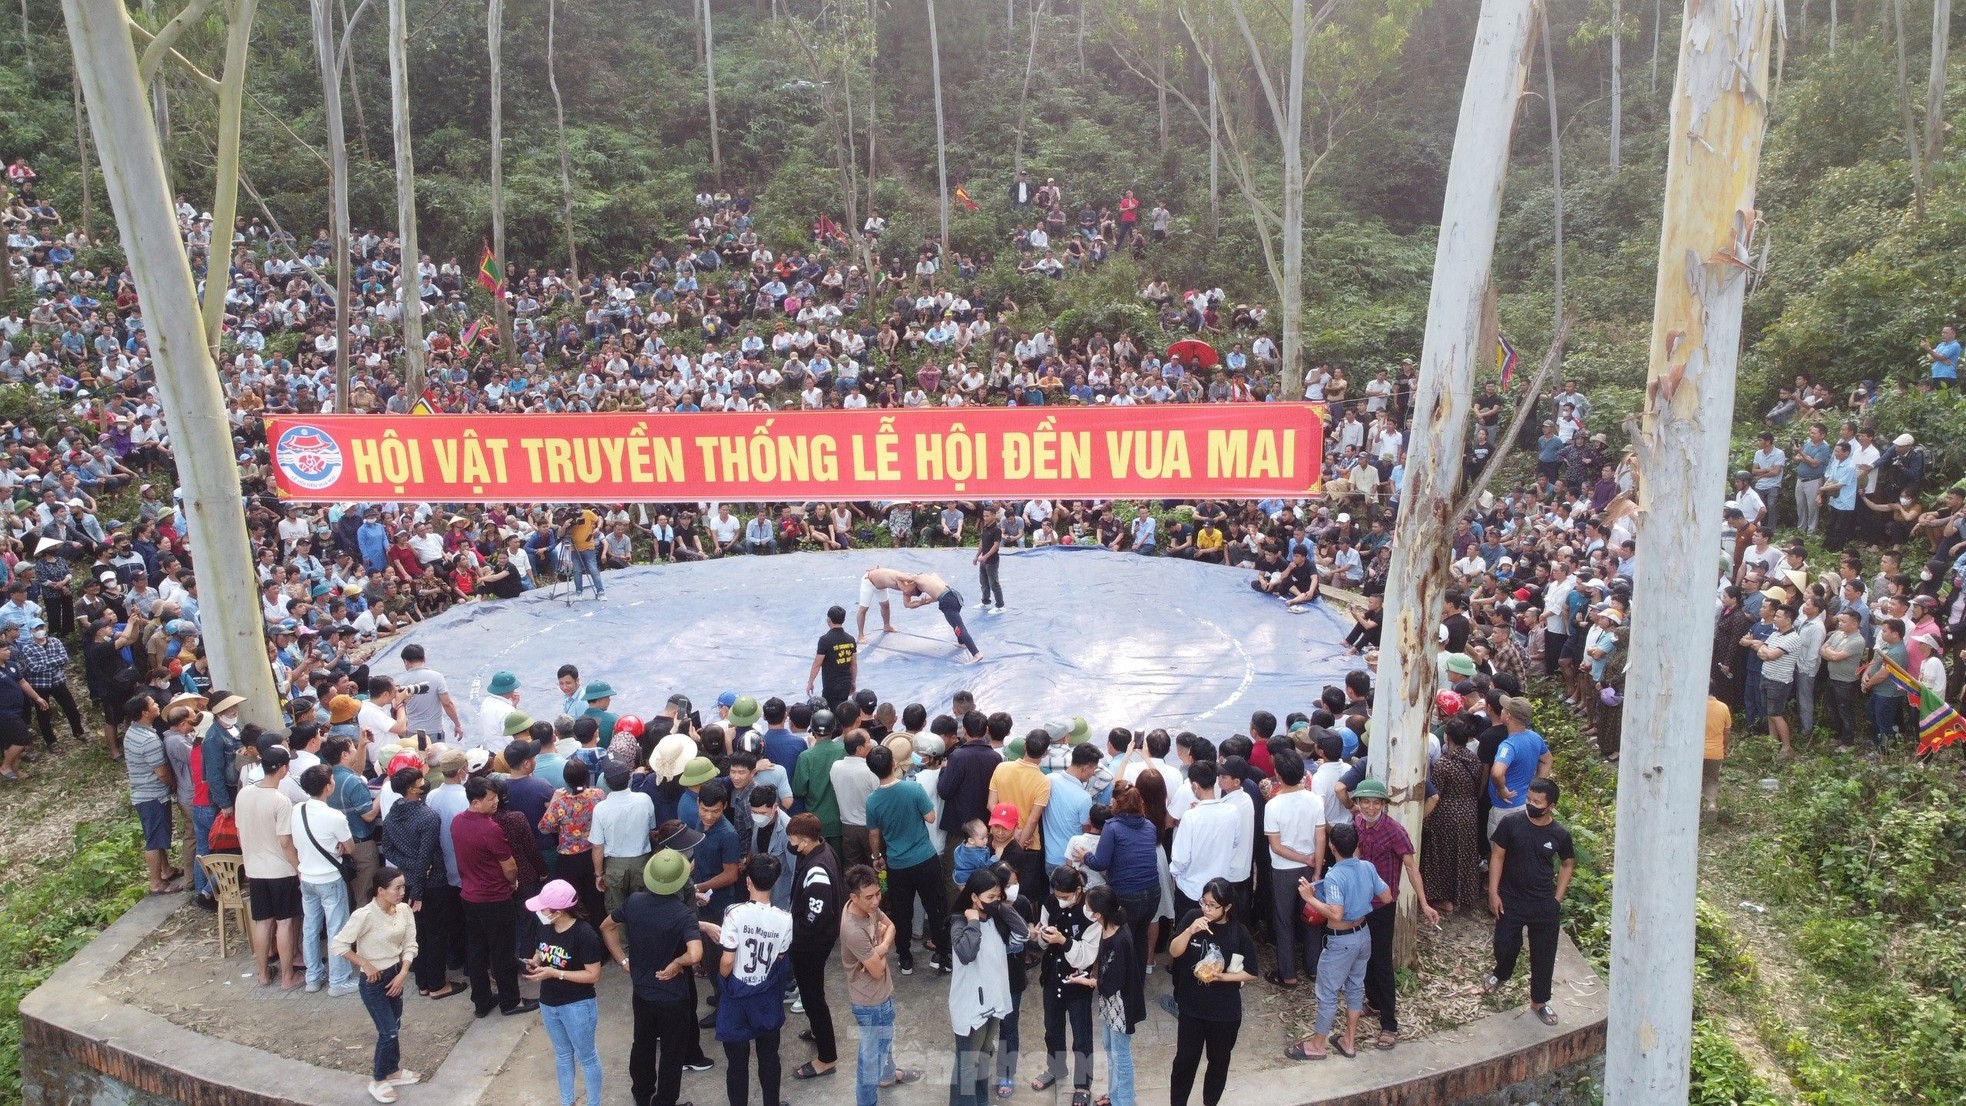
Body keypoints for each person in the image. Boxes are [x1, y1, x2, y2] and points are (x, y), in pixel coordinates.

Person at [601, 849, 707, 1106]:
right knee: (672, 1052)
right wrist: (677, 963)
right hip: (673, 997)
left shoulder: (635, 902)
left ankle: (642, 1094)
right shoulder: (684, 914)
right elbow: (695, 954)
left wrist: (623, 959)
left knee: (643, 1044)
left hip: (642, 991)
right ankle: (665, 1101)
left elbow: (606, 926)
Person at [1285, 822, 1390, 1062]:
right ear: (1356, 845)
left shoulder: (1334, 876)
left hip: (1341, 941)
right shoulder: (1367, 867)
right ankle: (1348, 1042)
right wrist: (1361, 900)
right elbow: (1386, 896)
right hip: (1363, 934)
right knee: (1355, 988)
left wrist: (1309, 898)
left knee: (1327, 992)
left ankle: (1317, 1045)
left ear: (1332, 847)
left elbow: (1336, 913)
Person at [1483, 778, 1576, 1027]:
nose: (1531, 804)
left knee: (1544, 954)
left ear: (1551, 806)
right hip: (1511, 900)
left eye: (1537, 802)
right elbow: (1497, 856)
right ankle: (1501, 973)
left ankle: (1539, 1001)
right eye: (1528, 799)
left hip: (1543, 904)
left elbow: (1568, 863)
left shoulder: (1559, 834)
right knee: (1504, 944)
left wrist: (1557, 897)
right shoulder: (1511, 823)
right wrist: (1494, 892)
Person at [332, 867, 423, 1104]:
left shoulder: (404, 911)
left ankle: (393, 1070)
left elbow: (410, 944)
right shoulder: (365, 915)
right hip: (373, 982)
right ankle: (379, 1078)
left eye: (404, 887)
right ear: (381, 891)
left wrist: (404, 972)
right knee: (388, 1030)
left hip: (395, 975)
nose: (402, 892)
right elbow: (339, 945)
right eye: (397, 888)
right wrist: (365, 964)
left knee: (396, 1025)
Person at [711, 854, 795, 1106]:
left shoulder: (734, 913)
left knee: (736, 1063)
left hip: (737, 994)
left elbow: (727, 960)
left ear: (747, 881)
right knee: (769, 1056)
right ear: (776, 881)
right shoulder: (785, 919)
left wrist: (725, 981)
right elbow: (780, 957)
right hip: (766, 996)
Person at [453, 776, 539, 1017]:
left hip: (469, 896)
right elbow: (509, 866)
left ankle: (481, 1001)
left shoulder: (457, 822)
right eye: (491, 799)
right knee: (502, 952)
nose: (496, 802)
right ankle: (511, 1001)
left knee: (477, 950)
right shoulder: (490, 829)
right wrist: (512, 883)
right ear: (476, 802)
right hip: (494, 898)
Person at [1167, 877, 1256, 1106]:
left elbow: (1251, 972)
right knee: (1184, 1061)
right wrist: (1189, 931)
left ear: (1226, 907)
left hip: (1224, 1012)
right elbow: (1174, 952)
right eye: (1204, 902)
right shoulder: (1192, 918)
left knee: (1218, 1062)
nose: (1206, 908)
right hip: (1191, 1007)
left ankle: (1210, 1102)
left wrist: (1223, 976)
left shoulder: (1239, 932)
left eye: (1212, 905)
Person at [863, 744, 949, 974]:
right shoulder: (914, 789)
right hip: (925, 858)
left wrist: (876, 857)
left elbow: (874, 834)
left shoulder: (872, 801)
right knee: (936, 906)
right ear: (893, 764)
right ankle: (941, 953)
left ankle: (905, 957)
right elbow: (930, 817)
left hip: (897, 864)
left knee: (901, 912)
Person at [840, 863, 920, 1106]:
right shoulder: (853, 929)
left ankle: (888, 1075)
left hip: (882, 995)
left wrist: (881, 948)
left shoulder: (867, 907)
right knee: (870, 1060)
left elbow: (892, 926)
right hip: (870, 1002)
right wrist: (883, 947)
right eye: (869, 897)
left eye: (877, 894)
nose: (875, 902)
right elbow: (877, 970)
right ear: (853, 897)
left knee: (885, 1042)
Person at [949, 869, 1030, 1106]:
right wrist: (973, 921)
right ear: (974, 897)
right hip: (971, 1007)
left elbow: (1023, 933)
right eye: (990, 897)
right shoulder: (959, 922)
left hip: (993, 1003)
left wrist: (999, 906)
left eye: (998, 896)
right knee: (967, 1064)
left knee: (983, 1058)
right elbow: (966, 953)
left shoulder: (995, 918)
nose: (995, 901)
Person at [523, 879, 606, 1106]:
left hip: (577, 1005)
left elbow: (593, 975)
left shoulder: (584, 934)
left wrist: (555, 973)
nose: (539, 911)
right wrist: (535, 961)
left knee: (587, 1057)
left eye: (544, 908)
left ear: (558, 912)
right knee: (562, 1054)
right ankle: (566, 1101)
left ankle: (593, 1103)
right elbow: (543, 949)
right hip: (549, 1003)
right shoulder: (545, 926)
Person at [239, 745, 303, 989]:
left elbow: (239, 829)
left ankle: (263, 973)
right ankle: (288, 976)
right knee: (285, 922)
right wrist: (299, 867)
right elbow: (286, 841)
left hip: (255, 869)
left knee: (263, 921)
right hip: (280, 870)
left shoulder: (244, 794)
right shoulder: (281, 801)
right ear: (284, 769)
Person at [1032, 866, 1096, 1103]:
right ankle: (1056, 1068)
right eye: (1057, 896)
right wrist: (1041, 937)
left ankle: (1083, 1084)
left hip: (1078, 981)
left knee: (1082, 1035)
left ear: (1078, 890)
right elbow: (1042, 941)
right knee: (1052, 1028)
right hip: (1052, 975)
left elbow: (1087, 956)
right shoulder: (1050, 903)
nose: (1060, 901)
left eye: (1065, 897)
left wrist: (1064, 941)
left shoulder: (1091, 911)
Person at [1262, 748, 1325, 988]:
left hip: (1283, 870)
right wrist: (1315, 868)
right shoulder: (1314, 800)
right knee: (1312, 917)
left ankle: (1288, 973)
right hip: (1310, 870)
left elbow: (1276, 847)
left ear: (1277, 775)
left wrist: (1302, 858)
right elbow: (1320, 838)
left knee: (1284, 920)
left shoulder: (1274, 806)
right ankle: (1314, 968)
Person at [785, 812, 842, 1078]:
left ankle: (827, 1058)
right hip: (813, 939)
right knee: (813, 992)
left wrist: (797, 936)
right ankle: (819, 1031)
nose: (792, 844)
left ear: (806, 841)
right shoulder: (822, 848)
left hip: (811, 944)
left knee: (812, 997)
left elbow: (816, 914)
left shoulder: (817, 869)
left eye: (794, 840)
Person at [295, 764, 358, 996]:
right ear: (328, 786)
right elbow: (349, 847)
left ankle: (313, 977)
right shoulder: (334, 816)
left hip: (307, 877)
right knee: (336, 928)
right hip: (330, 878)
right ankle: (338, 980)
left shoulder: (297, 810)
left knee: (310, 927)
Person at [1083, 885, 1143, 1106]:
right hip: (1109, 1002)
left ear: (1098, 913)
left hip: (1120, 1004)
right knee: (1110, 1049)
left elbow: (1113, 981)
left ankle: (1124, 1101)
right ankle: (1115, 1094)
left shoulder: (1119, 939)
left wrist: (1089, 981)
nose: (1086, 910)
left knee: (1120, 1054)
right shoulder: (1109, 928)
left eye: (1088, 907)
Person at [122, 694, 181, 894]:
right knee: (154, 840)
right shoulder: (148, 740)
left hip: (143, 792)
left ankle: (166, 869)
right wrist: (173, 784)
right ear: (145, 713)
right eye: (153, 704)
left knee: (157, 835)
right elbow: (162, 772)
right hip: (152, 795)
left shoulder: (134, 731)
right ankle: (156, 882)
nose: (157, 705)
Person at [899, 571, 982, 661]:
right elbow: (937, 595)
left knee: (959, 627)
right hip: (955, 596)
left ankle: (976, 654)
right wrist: (922, 603)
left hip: (947, 601)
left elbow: (902, 582)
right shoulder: (934, 576)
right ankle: (962, 642)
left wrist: (896, 580)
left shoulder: (917, 578)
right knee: (954, 623)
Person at [809, 605, 857, 705]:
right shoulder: (851, 639)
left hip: (831, 685)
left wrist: (810, 682)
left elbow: (817, 664)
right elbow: (854, 664)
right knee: (843, 710)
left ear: (829, 619)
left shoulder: (825, 640)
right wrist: (853, 682)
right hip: (846, 684)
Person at [856, 566, 907, 643]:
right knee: (863, 609)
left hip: (881, 585)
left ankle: (887, 626)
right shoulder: (900, 582)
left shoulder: (904, 578)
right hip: (868, 582)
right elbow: (907, 602)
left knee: (885, 605)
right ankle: (860, 635)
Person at [975, 505, 1006, 613]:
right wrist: (977, 556)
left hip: (992, 561)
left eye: (987, 516)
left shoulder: (997, 529)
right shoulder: (985, 527)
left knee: (994, 583)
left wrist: (985, 556)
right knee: (983, 582)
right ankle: (985, 602)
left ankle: (1000, 605)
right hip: (983, 560)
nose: (985, 518)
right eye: (984, 515)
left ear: (994, 515)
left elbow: (996, 545)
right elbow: (982, 542)